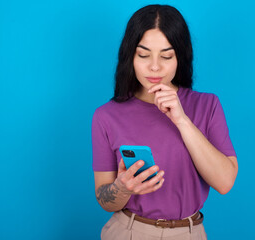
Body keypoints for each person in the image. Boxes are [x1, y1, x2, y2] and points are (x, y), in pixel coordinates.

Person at [92, 4, 238, 240]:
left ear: (180, 56)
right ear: (130, 55)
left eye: (166, 56)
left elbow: (225, 182)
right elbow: (104, 198)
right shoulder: (106, 116)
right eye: (143, 54)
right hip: (128, 231)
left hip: (189, 233)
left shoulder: (207, 105)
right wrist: (123, 188)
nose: (155, 66)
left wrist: (181, 120)